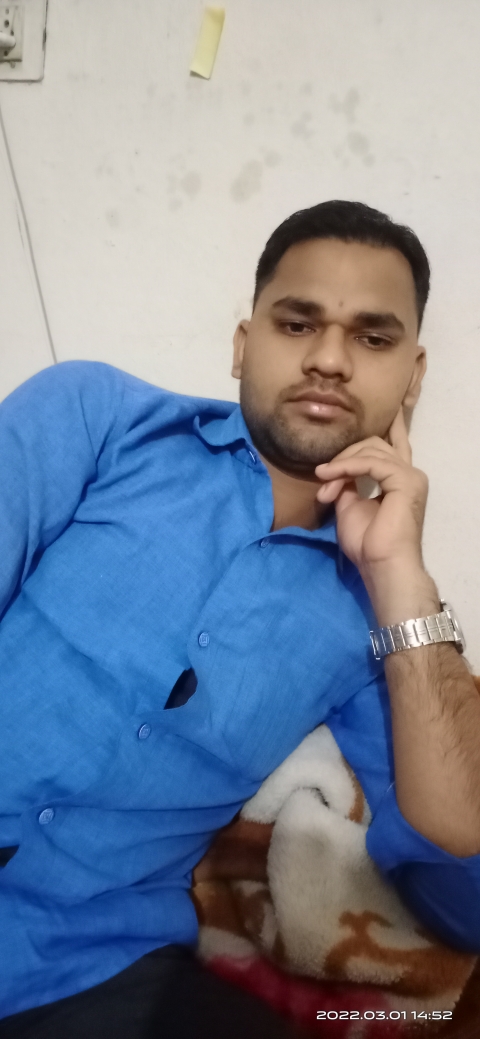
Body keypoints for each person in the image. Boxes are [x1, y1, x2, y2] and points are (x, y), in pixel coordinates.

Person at [0, 200, 479, 1038]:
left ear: (413, 377)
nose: (329, 358)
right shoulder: (99, 419)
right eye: (297, 323)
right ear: (242, 343)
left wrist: (402, 577)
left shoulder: (374, 616)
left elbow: (461, 869)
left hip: (91, 972)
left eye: (372, 338)